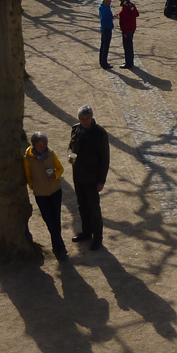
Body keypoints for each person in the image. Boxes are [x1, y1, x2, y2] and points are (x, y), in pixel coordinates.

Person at [69, 105, 110, 249]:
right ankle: (86, 232)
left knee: (94, 208)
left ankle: (97, 238)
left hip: (92, 177)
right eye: (82, 118)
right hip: (78, 174)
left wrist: (101, 180)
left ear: (91, 118)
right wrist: (70, 155)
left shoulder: (100, 134)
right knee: (82, 205)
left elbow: (105, 159)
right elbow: (71, 146)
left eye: (87, 118)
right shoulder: (75, 129)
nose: (85, 121)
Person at [24, 132, 67, 262]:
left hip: (55, 191)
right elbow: (28, 175)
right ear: (33, 145)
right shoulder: (27, 158)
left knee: (56, 220)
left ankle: (59, 249)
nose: (43, 147)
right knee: (49, 221)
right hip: (41, 194)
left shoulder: (51, 154)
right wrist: (33, 186)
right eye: (40, 145)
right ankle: (60, 248)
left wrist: (56, 175)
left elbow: (60, 168)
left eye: (44, 145)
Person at [117, 0, 138, 69]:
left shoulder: (125, 8)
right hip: (132, 28)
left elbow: (125, 22)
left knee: (127, 46)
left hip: (127, 29)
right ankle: (130, 61)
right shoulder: (131, 5)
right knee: (130, 46)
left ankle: (128, 63)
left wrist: (125, 32)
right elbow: (137, 14)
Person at [97, 0, 113, 69]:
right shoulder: (106, 9)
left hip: (104, 29)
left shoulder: (102, 8)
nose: (111, 1)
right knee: (106, 47)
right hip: (107, 29)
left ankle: (102, 61)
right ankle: (104, 63)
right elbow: (103, 20)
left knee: (103, 45)